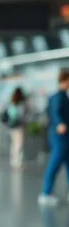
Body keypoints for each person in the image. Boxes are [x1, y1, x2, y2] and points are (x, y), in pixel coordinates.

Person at [38, 70, 69, 207]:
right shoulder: (58, 96)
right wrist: (59, 123)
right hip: (60, 137)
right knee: (55, 164)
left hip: (65, 137)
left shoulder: (62, 96)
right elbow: (55, 112)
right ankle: (46, 193)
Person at [5, 87, 28, 169]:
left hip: (12, 126)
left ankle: (13, 162)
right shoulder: (21, 104)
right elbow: (22, 115)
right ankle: (18, 163)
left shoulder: (12, 102)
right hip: (19, 126)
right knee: (19, 145)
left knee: (14, 144)